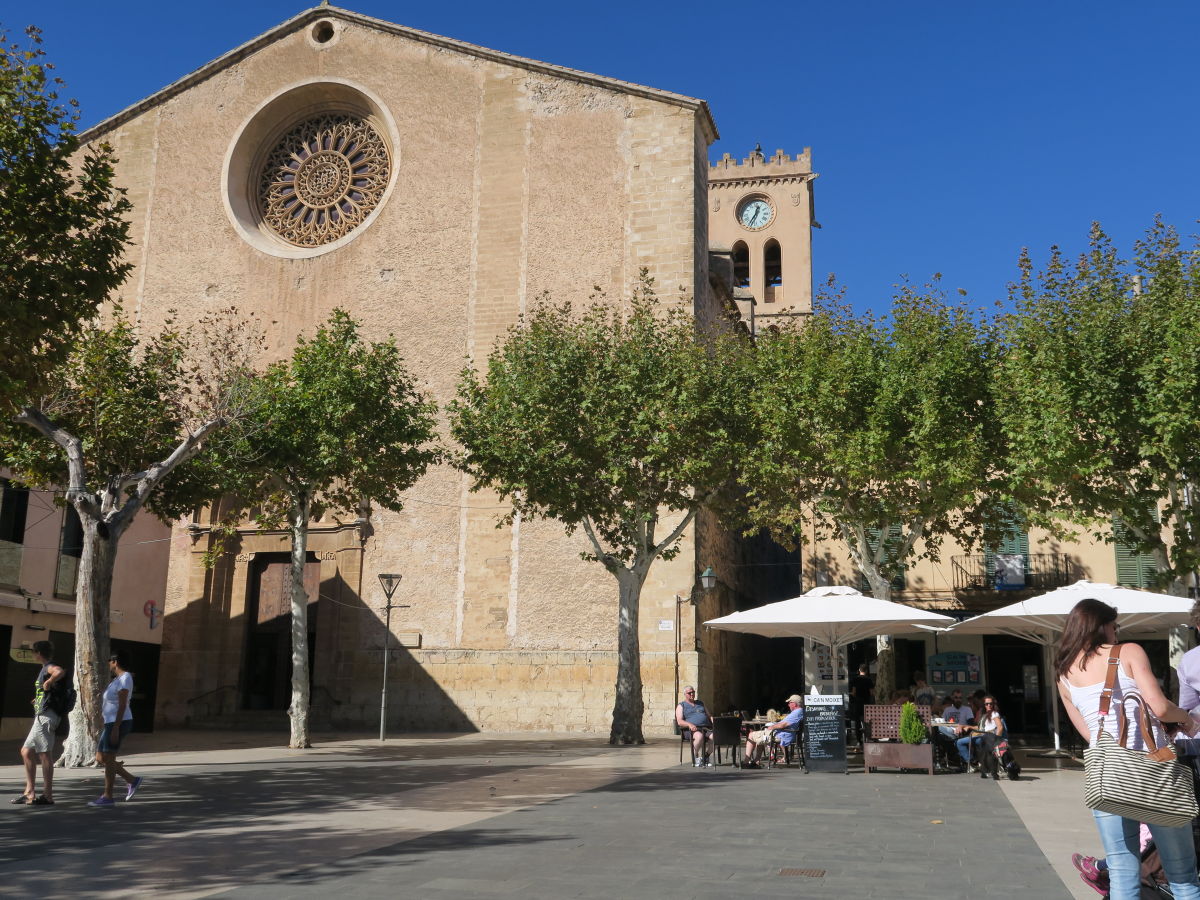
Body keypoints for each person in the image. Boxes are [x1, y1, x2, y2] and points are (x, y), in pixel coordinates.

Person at [1056, 597, 1200, 900]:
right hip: (1154, 773)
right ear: (1102, 626)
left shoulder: (1063, 673)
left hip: (1109, 777)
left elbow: (1090, 733)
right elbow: (1160, 708)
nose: (1116, 633)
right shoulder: (1129, 652)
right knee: (1183, 877)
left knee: (1122, 872)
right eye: (1114, 626)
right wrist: (1186, 719)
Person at [14, 641, 66, 806]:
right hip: (41, 715)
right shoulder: (44, 668)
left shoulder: (50, 666)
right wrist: (38, 698)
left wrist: (49, 681)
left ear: (37, 653)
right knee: (26, 752)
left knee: (44, 754)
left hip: (46, 716)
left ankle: (47, 795)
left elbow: (59, 672)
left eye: (33, 652)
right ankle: (30, 792)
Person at [88, 651, 144, 807]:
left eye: (110, 661)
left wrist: (116, 728)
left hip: (119, 722)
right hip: (110, 722)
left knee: (110, 758)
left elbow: (122, 704)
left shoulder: (125, 679)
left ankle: (107, 796)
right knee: (101, 758)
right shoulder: (117, 680)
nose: (108, 664)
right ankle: (132, 780)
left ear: (115, 662)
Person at [742, 694, 804, 768]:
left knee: (751, 735)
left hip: (781, 735)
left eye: (790, 703)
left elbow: (782, 725)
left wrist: (772, 727)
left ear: (794, 704)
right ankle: (756, 761)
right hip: (784, 733)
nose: (788, 705)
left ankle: (746, 761)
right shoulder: (799, 712)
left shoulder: (796, 713)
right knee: (760, 736)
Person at [675, 685, 715, 767]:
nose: (692, 694)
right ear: (685, 694)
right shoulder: (681, 705)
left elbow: (709, 715)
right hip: (690, 730)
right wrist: (689, 724)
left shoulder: (701, 703)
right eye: (689, 693)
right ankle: (695, 757)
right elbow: (679, 721)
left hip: (705, 728)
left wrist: (715, 722)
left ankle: (705, 756)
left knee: (716, 737)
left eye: (693, 692)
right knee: (699, 736)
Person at [971, 694, 1006, 780]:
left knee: (988, 754)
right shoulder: (985, 714)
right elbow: (983, 728)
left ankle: (990, 772)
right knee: (983, 754)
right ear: (984, 705)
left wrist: (997, 740)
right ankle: (984, 771)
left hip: (991, 737)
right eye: (987, 704)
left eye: (991, 704)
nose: (989, 705)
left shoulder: (994, 713)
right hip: (985, 736)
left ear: (993, 704)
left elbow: (1000, 727)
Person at [940, 688, 976, 771]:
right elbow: (942, 722)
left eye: (960, 698)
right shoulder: (947, 710)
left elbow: (971, 724)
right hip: (949, 731)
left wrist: (961, 727)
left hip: (962, 731)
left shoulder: (967, 709)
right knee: (939, 730)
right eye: (956, 697)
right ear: (952, 698)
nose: (958, 700)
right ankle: (943, 759)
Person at [848, 664, 873, 746]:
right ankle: (868, 737)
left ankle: (859, 740)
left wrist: (852, 694)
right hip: (867, 703)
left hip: (857, 703)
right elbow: (872, 693)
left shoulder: (855, 679)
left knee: (857, 722)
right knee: (867, 721)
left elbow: (854, 692)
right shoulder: (869, 680)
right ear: (866, 671)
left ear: (859, 670)